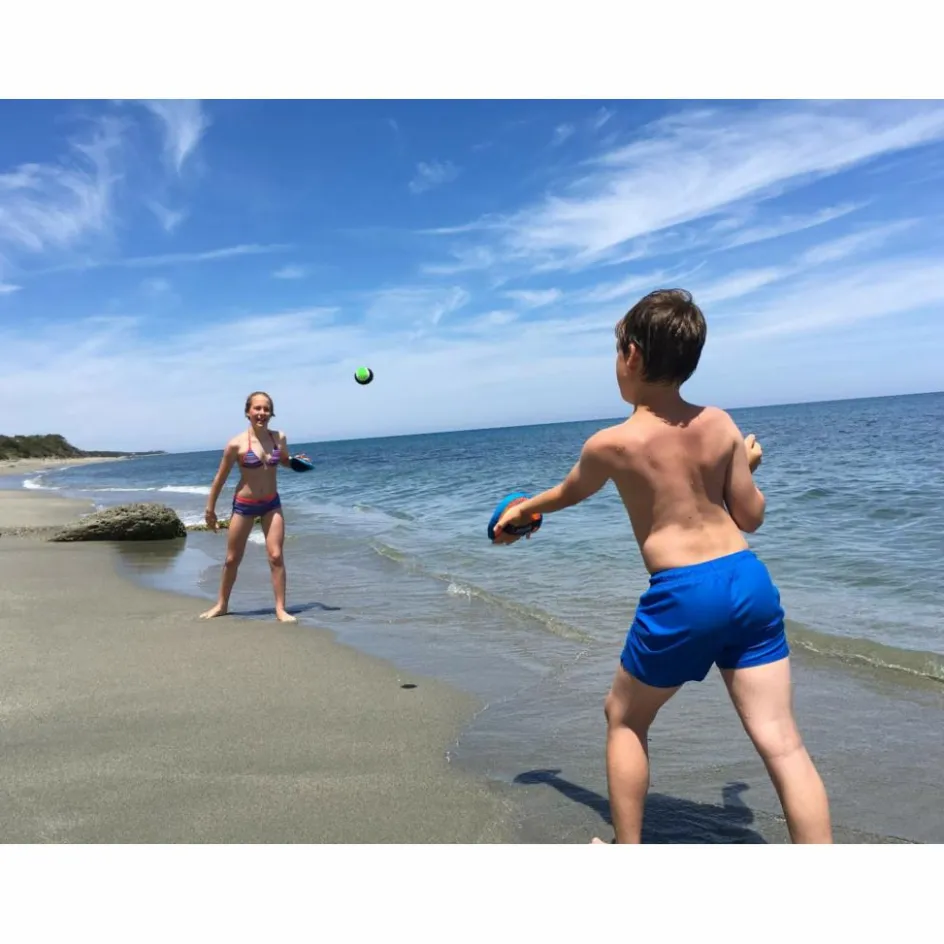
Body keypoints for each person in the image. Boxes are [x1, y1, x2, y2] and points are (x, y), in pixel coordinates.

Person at [492, 289, 832, 844]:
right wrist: (744, 465)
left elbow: (568, 493)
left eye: (616, 352)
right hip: (747, 582)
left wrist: (523, 510)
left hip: (684, 594)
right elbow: (750, 516)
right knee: (783, 741)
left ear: (631, 355)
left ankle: (628, 855)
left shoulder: (612, 443)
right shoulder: (720, 423)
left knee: (624, 717)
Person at [200, 391, 308, 624]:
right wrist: (210, 510)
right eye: (257, 408)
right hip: (244, 506)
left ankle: (280, 609)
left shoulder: (279, 437)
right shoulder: (236, 444)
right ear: (248, 412)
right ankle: (222, 604)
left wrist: (297, 462)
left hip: (271, 504)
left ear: (271, 413)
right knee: (232, 559)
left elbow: (284, 461)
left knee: (276, 556)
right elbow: (220, 478)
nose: (262, 413)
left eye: (266, 409)